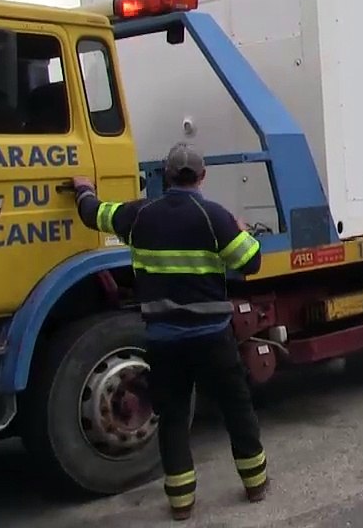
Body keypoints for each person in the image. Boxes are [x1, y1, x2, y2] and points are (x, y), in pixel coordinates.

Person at [71, 142, 268, 521]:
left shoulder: (139, 215)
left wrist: (83, 189)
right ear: (202, 177)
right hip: (212, 337)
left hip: (165, 339)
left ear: (165, 175)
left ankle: (181, 504)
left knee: (174, 418)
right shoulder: (215, 217)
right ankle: (255, 484)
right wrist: (243, 231)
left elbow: (94, 214)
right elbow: (252, 262)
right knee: (237, 409)